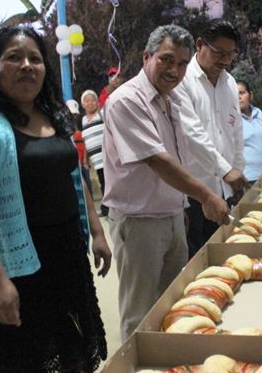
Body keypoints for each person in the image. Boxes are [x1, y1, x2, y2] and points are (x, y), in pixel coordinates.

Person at [0, 26, 111, 372]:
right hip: (20, 266)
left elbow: (74, 177)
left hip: (68, 255)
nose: (26, 65)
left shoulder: (53, 116)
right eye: (14, 57)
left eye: (35, 59)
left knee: (76, 352)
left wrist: (97, 232)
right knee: (28, 360)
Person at [103, 24, 230, 341]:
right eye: (167, 60)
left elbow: (177, 159)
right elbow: (158, 160)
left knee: (174, 308)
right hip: (139, 223)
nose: (175, 70)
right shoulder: (126, 101)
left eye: (182, 64)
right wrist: (207, 196)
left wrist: (182, 205)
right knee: (141, 315)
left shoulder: (170, 101)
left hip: (172, 217)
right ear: (147, 56)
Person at [175, 19, 246, 259]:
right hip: (194, 193)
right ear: (199, 45)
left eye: (230, 54)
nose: (225, 60)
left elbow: (235, 132)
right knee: (197, 260)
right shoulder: (182, 80)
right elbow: (191, 133)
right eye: (218, 53)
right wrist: (226, 170)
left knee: (226, 255)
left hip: (225, 191)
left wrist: (237, 171)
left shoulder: (229, 83)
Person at [238, 81, 262, 184]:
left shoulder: (259, 113)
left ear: (250, 95)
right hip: (247, 179)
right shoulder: (232, 119)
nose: (238, 97)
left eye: (242, 93)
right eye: (234, 94)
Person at [80, 89, 108, 217]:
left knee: (108, 183)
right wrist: (85, 158)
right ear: (83, 104)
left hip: (107, 157)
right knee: (103, 182)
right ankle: (106, 208)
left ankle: (107, 208)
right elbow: (85, 140)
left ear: (97, 103)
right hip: (96, 160)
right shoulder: (83, 120)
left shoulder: (102, 114)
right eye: (87, 101)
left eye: (93, 100)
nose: (90, 103)